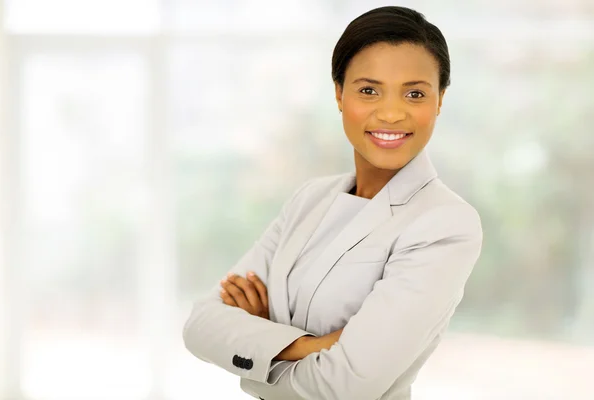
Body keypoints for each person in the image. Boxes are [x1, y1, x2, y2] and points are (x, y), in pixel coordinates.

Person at [182, 6, 482, 400]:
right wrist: (311, 346)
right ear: (339, 94)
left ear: (440, 100)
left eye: (415, 93)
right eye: (368, 90)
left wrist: (261, 344)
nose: (391, 113)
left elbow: (345, 387)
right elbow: (200, 325)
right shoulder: (310, 199)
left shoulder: (445, 223)